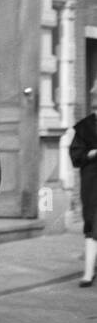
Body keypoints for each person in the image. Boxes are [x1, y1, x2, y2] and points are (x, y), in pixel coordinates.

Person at [68, 80, 97, 287]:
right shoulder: (85, 127)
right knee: (92, 223)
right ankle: (88, 273)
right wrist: (93, 153)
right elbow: (76, 155)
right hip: (92, 180)